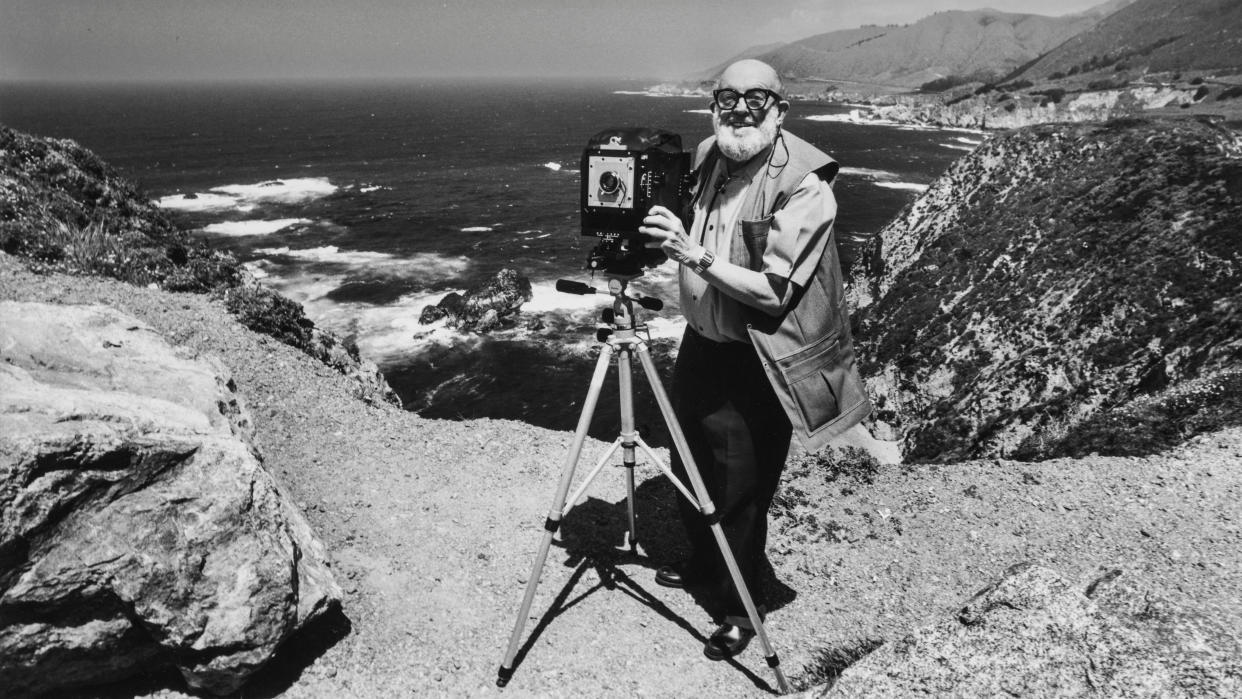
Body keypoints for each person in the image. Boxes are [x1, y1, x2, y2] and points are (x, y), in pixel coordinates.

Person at [639, 59, 871, 660]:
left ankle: (742, 605)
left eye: (756, 99)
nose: (740, 109)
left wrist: (691, 255)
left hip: (759, 358)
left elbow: (775, 291)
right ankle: (704, 566)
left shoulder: (806, 186)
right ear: (714, 107)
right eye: (727, 98)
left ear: (780, 109)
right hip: (701, 346)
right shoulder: (709, 160)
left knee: (742, 484)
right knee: (690, 461)